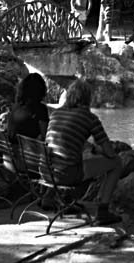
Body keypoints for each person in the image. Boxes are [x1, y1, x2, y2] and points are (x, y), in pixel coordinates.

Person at [45, 79, 122, 225]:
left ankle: (66, 200)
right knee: (116, 162)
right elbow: (110, 153)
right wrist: (99, 150)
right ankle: (103, 211)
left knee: (78, 158)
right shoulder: (89, 118)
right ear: (88, 98)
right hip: (66, 175)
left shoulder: (57, 114)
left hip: (46, 171)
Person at [8, 73, 50, 145]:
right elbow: (45, 136)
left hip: (10, 152)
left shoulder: (16, 106)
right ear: (41, 90)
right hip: (27, 153)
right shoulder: (40, 109)